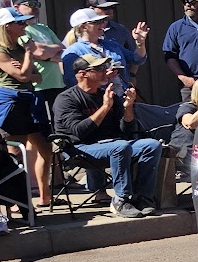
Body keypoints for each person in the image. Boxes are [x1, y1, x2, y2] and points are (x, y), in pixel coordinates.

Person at [52, 52, 163, 218]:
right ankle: (121, 200)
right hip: (79, 148)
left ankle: (142, 198)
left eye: (105, 67)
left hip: (112, 144)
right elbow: (78, 132)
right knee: (120, 146)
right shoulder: (67, 99)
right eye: (99, 68)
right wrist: (104, 107)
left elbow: (127, 130)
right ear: (82, 74)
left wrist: (128, 107)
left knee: (151, 145)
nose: (106, 71)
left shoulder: (107, 95)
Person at [8, 0, 63, 209]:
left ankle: (45, 195)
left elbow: (61, 50)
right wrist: (50, 53)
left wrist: (50, 53)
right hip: (37, 89)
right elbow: (38, 52)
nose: (35, 8)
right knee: (27, 143)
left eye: (37, 3)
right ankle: (17, 199)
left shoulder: (45, 29)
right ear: (16, 7)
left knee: (47, 145)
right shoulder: (21, 31)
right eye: (29, 4)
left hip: (55, 87)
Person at [0, 8, 53, 213]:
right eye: (20, 23)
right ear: (7, 27)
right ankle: (15, 203)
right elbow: (22, 76)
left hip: (31, 99)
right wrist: (29, 56)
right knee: (15, 155)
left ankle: (44, 196)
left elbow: (37, 77)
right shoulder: (0, 50)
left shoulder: (20, 47)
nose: (24, 26)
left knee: (46, 148)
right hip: (12, 103)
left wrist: (25, 68)